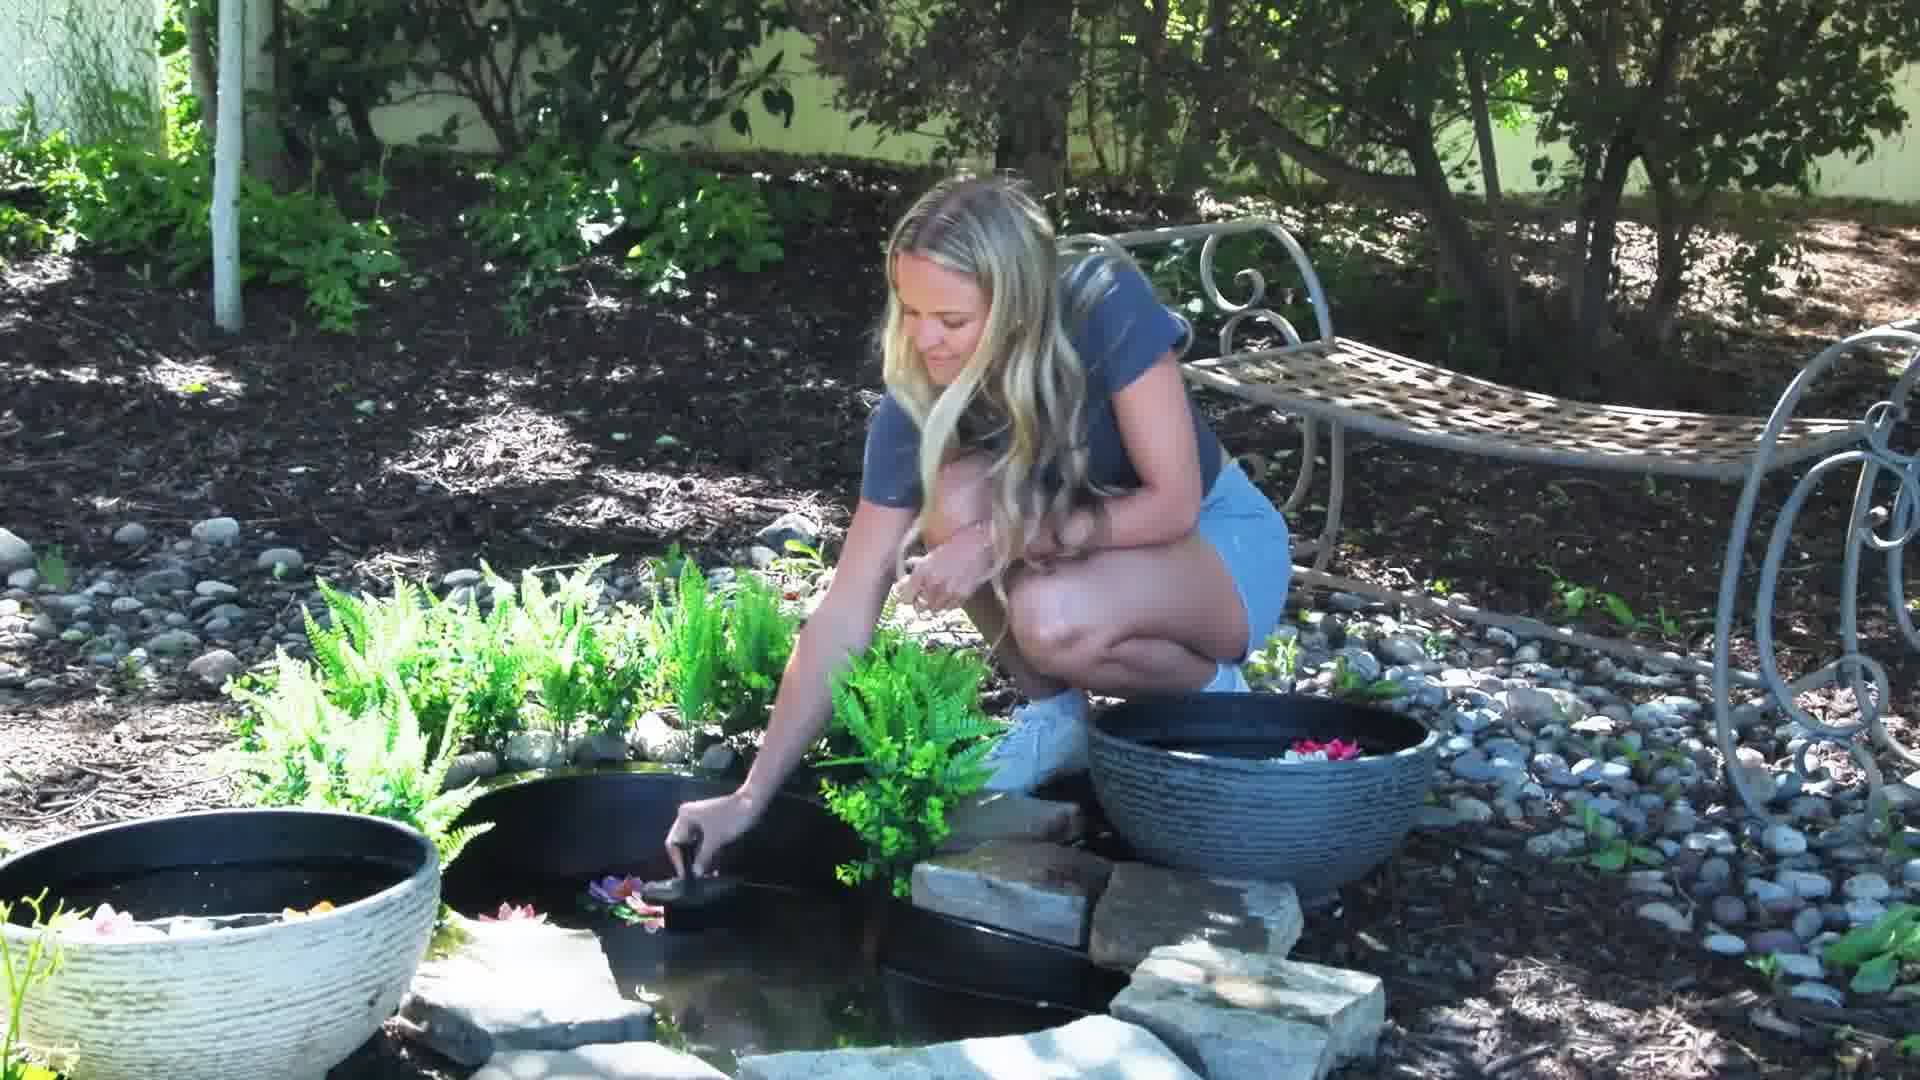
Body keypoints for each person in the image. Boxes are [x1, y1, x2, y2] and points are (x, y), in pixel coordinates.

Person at [664, 174, 1292, 878]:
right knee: (951, 492)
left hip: (1215, 546)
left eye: (952, 321)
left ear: (1015, 308)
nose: (925, 339)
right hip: (1097, 554)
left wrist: (998, 540)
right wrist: (748, 798)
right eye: (910, 310)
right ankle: (1058, 722)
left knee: (1051, 617)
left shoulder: (1100, 302)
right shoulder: (917, 400)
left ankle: (1217, 705)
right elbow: (846, 606)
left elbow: (1170, 504)